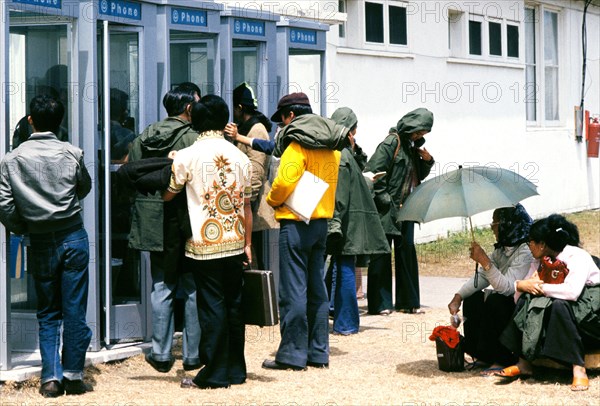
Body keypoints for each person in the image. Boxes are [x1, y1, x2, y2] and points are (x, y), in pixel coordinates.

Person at [0, 95, 93, 397]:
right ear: (60, 121)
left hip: (39, 238)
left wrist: (23, 226)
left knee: (48, 311)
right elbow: (85, 187)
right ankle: (74, 373)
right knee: (75, 308)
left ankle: (51, 377)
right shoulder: (72, 152)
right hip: (73, 235)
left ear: (30, 121)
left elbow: (5, 204)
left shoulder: (11, 159)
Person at [164, 95, 252, 389]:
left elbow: (169, 193)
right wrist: (248, 243)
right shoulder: (241, 156)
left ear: (196, 119)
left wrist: (172, 163)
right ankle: (236, 369)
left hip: (204, 242)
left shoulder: (187, 155)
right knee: (234, 305)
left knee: (212, 306)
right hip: (236, 238)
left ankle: (214, 372)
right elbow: (248, 206)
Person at [261, 92, 348, 371]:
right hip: (321, 223)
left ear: (290, 116)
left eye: (282, 119)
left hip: (295, 224)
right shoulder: (332, 147)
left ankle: (292, 355)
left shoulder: (297, 145)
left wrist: (272, 199)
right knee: (317, 290)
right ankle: (318, 352)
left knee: (293, 291)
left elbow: (285, 181)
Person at [128, 84, 202, 373]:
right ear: (188, 109)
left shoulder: (145, 135)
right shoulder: (194, 138)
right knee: (192, 286)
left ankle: (160, 351)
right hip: (186, 219)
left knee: (162, 284)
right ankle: (192, 354)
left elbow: (133, 170)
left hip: (152, 218)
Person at [496, 214, 600, 391]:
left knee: (559, 304)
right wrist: (523, 286)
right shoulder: (538, 261)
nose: (529, 246)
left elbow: (572, 292)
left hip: (590, 313)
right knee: (527, 299)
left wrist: (541, 288)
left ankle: (578, 368)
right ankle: (524, 363)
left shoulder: (577, 256)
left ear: (542, 244)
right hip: (566, 314)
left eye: (531, 242)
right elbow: (517, 299)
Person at [447, 204, 534, 375]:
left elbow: (508, 288)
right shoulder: (502, 250)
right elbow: (482, 277)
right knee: (473, 298)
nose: (492, 226)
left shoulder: (525, 252)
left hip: (518, 308)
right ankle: (482, 354)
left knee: (497, 300)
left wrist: (485, 261)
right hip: (505, 301)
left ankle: (503, 358)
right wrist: (458, 296)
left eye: (495, 222)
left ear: (507, 224)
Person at [364, 108, 435, 315]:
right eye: (419, 132)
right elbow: (373, 172)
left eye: (423, 133)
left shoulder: (411, 146)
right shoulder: (391, 143)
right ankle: (380, 304)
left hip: (407, 209)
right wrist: (385, 199)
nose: (420, 136)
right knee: (382, 254)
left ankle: (408, 302)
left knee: (407, 254)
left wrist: (428, 161)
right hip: (388, 209)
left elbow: (417, 175)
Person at [326, 107, 390, 335]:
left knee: (344, 268)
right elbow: (341, 196)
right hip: (346, 222)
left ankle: (346, 323)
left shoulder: (342, 153)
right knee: (345, 270)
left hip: (346, 221)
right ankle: (346, 323)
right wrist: (335, 224)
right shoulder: (342, 156)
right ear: (350, 131)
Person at [232, 82, 278, 269]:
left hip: (252, 206)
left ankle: (261, 299)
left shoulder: (256, 129)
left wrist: (245, 204)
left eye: (234, 108)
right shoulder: (245, 128)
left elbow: (256, 172)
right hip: (246, 207)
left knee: (254, 263)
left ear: (240, 108)